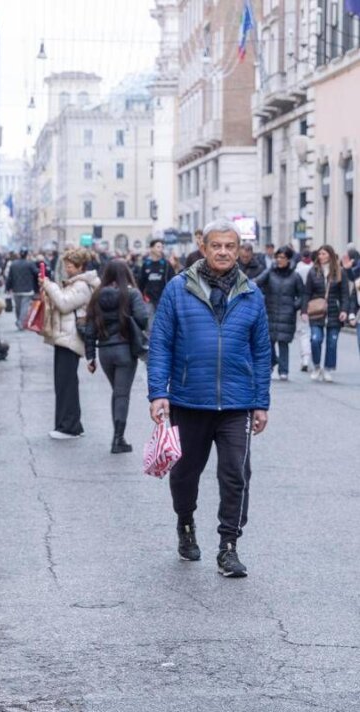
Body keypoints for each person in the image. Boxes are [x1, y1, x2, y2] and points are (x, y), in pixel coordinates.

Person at [148, 219, 270, 578]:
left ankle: (228, 546)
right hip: (189, 400)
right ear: (203, 247)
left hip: (237, 403)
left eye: (230, 246)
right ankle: (185, 523)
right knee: (185, 474)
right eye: (216, 245)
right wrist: (158, 393)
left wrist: (261, 402)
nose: (223, 252)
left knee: (236, 474)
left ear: (239, 250)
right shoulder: (178, 289)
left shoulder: (251, 293)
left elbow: (261, 353)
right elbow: (160, 344)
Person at [84, 259, 148, 453]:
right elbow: (143, 320)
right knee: (122, 394)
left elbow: (89, 328)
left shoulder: (97, 296)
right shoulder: (131, 294)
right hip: (125, 350)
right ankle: (118, 439)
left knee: (117, 392)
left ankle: (118, 437)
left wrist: (90, 357)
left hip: (104, 352)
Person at [39, 247, 100, 439]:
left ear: (81, 266)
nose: (67, 269)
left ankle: (68, 427)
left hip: (70, 338)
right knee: (65, 383)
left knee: (66, 384)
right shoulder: (76, 283)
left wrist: (49, 286)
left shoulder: (81, 285)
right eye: (66, 265)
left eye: (71, 266)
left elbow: (64, 304)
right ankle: (70, 425)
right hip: (65, 337)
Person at [304, 244, 353, 382]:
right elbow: (307, 293)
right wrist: (304, 310)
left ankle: (327, 368)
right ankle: (317, 366)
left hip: (334, 311)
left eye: (324, 254)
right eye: (319, 254)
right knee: (315, 339)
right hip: (316, 312)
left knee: (332, 342)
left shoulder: (339, 272)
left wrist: (344, 310)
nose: (321, 256)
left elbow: (345, 294)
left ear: (330, 255)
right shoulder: (313, 271)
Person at [255, 247, 304, 380]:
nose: (279, 260)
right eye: (278, 257)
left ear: (288, 259)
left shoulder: (295, 276)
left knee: (283, 343)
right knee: (268, 342)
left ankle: (284, 370)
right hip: (270, 312)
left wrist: (294, 306)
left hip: (287, 315)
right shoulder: (270, 273)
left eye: (282, 257)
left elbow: (302, 295)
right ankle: (271, 363)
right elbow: (257, 282)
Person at [138, 238, 175, 315]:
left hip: (163, 300)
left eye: (162, 247)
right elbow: (141, 282)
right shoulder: (146, 264)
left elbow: (172, 280)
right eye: (158, 247)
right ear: (151, 248)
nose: (160, 249)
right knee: (150, 321)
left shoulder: (166, 264)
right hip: (149, 300)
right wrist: (142, 297)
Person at [5, 247, 39, 329]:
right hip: (28, 289)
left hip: (16, 289)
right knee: (24, 307)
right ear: (27, 254)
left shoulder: (13, 264)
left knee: (18, 307)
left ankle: (19, 320)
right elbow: (36, 272)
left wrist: (7, 287)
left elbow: (10, 277)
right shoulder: (30, 264)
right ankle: (20, 322)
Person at [294, 249, 314, 371]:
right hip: (315, 304)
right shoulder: (314, 268)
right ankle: (311, 358)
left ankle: (305, 358)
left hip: (301, 304)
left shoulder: (298, 269)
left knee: (303, 332)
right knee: (313, 332)